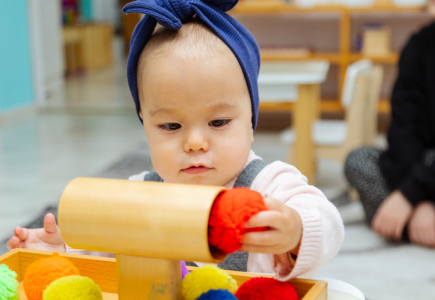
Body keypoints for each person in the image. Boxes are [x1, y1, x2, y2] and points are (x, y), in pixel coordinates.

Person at [7, 0, 344, 280]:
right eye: (170, 126)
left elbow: (326, 222)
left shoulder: (269, 185)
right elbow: (104, 239)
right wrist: (62, 249)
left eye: (218, 122)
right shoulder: (144, 193)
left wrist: (296, 231)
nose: (194, 142)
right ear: (145, 127)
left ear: (251, 123)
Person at [345, 19, 435, 248]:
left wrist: (409, 194)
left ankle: (407, 223)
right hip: (421, 167)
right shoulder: (419, 44)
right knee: (359, 160)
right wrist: (416, 198)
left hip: (425, 173)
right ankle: (416, 222)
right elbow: (403, 128)